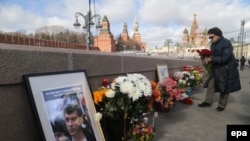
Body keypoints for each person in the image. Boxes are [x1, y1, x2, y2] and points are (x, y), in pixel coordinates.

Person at [198, 27, 241, 111]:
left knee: (224, 87)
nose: (210, 39)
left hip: (226, 69)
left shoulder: (226, 43)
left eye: (211, 36)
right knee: (210, 84)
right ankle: (207, 101)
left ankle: (221, 105)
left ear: (218, 35)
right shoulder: (213, 44)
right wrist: (207, 59)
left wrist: (212, 59)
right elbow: (213, 56)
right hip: (216, 68)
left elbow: (226, 57)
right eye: (209, 37)